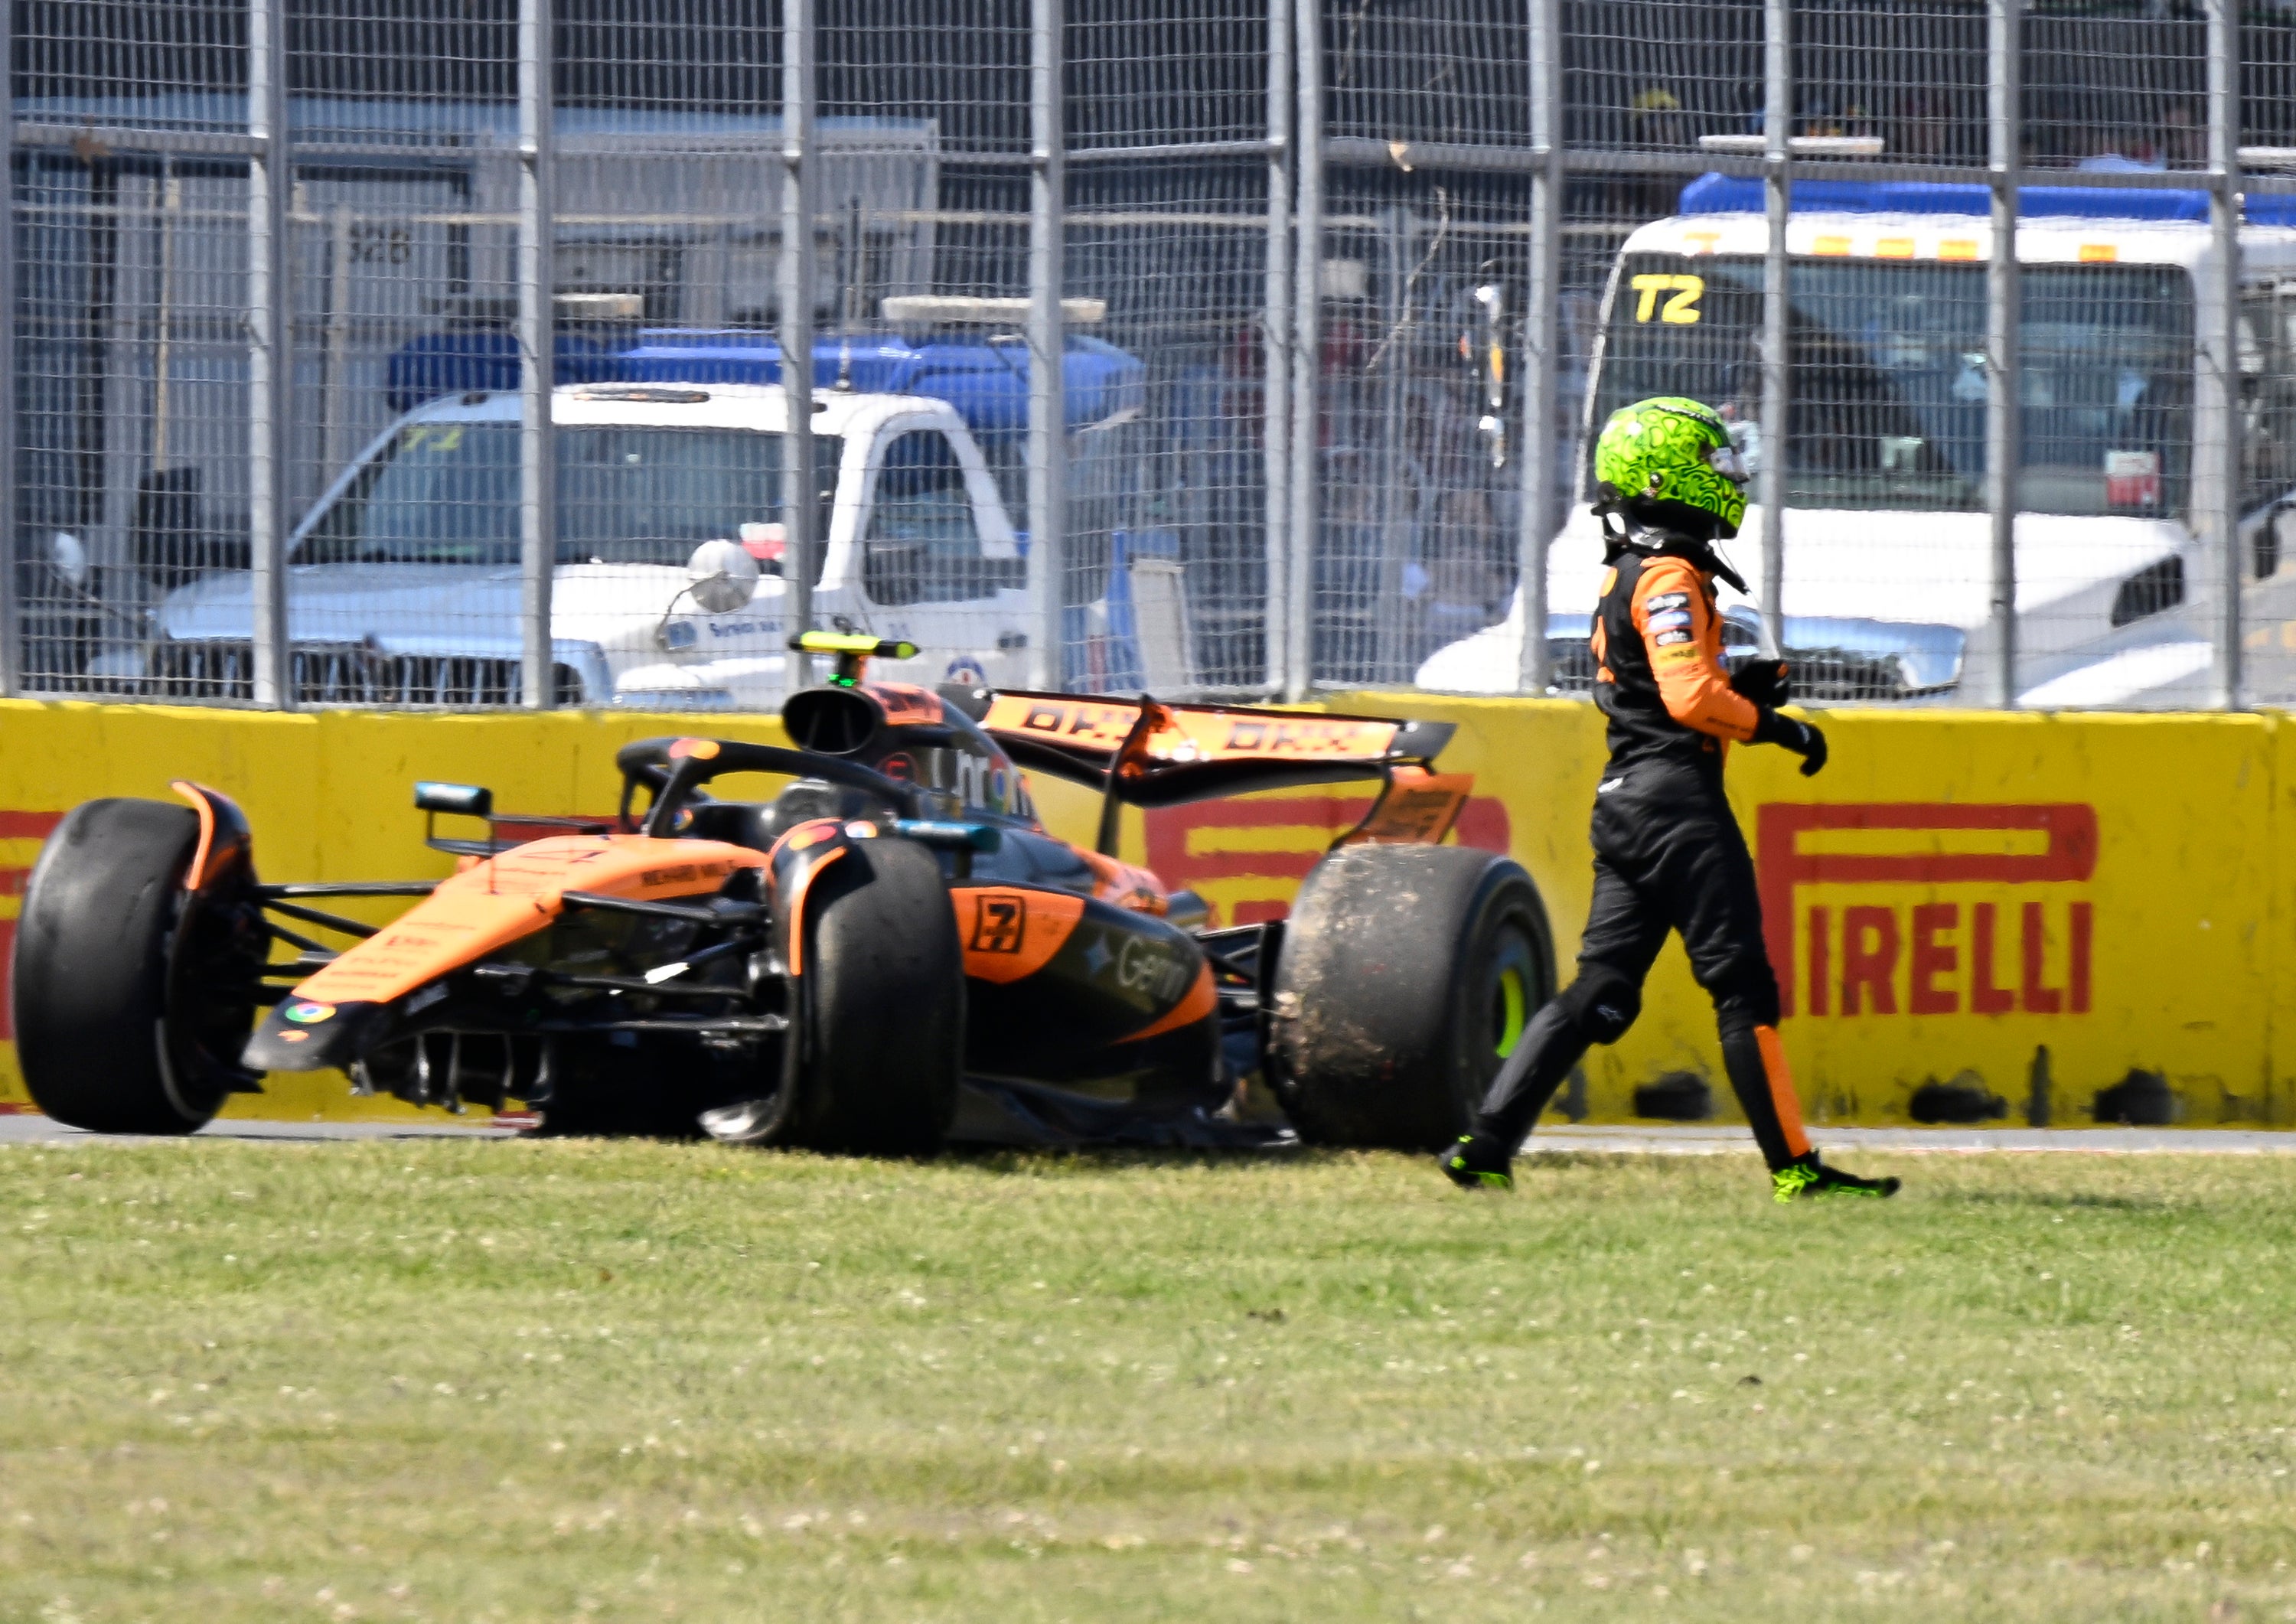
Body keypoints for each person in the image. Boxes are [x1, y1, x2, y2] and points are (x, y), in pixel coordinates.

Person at [1437, 396, 1900, 1204]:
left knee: (1601, 993)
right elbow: (1688, 698)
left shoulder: (1631, 571)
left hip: (1624, 805)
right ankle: (1797, 1169)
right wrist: (1782, 730)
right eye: (1714, 464)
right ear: (1664, 477)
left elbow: (1655, 683)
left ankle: (1484, 1147)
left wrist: (1739, 685)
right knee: (1743, 988)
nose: (1729, 478)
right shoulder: (1669, 574)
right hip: (1677, 805)